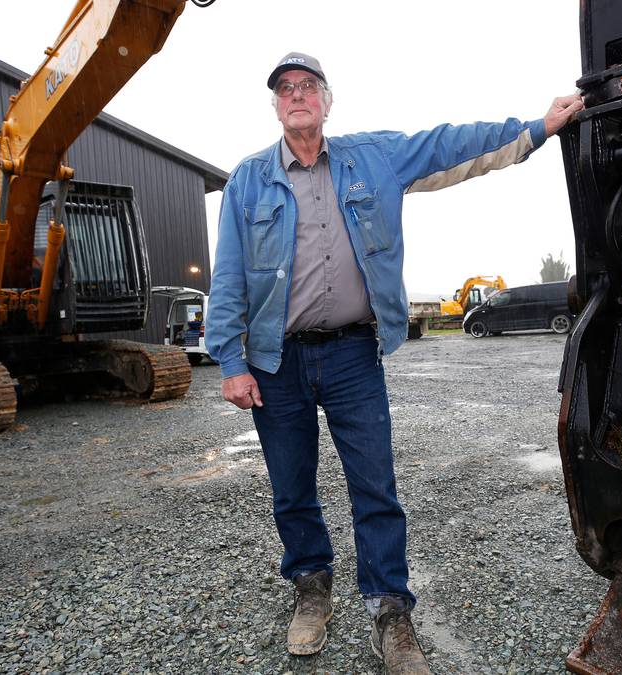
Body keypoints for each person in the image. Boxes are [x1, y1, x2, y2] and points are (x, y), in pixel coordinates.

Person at [206, 51, 583, 673]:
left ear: (327, 102)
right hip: (275, 362)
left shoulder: (370, 158)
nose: (296, 95)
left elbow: (447, 147)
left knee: (375, 487)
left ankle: (390, 611)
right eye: (285, 89)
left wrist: (537, 128)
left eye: (308, 87)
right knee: (291, 489)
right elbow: (228, 280)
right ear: (275, 106)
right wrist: (229, 361)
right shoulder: (248, 180)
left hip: (355, 353)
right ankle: (311, 591)